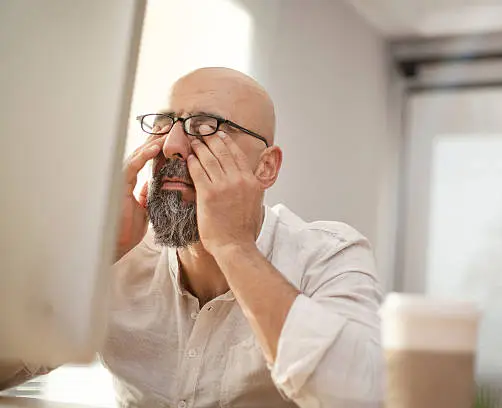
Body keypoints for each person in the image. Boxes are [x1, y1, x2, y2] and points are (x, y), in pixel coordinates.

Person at [0, 67, 383, 407]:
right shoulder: (121, 254)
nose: (171, 146)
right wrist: (95, 258)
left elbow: (360, 398)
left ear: (266, 167)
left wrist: (234, 247)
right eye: (166, 124)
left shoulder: (329, 254)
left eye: (206, 127)